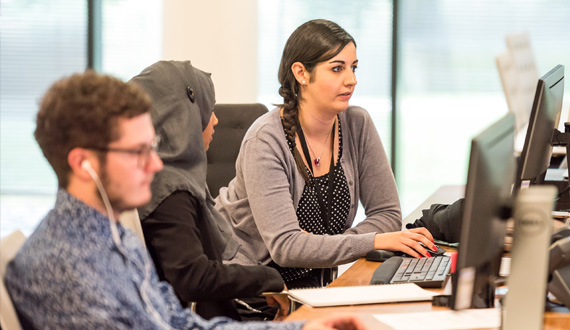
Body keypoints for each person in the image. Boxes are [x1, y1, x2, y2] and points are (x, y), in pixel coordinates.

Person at [4, 70, 366, 330]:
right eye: (137, 151)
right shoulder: (67, 267)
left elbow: (178, 321)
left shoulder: (112, 236)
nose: (156, 163)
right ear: (83, 164)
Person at [215, 18, 436, 291]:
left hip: (315, 286)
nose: (352, 80)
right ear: (301, 73)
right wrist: (373, 240)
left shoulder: (357, 124)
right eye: (337, 68)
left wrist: (322, 244)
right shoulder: (266, 140)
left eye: (353, 68)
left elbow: (387, 214)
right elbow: (286, 247)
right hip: (254, 288)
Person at [130, 60, 288, 321]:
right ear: (183, 116)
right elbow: (193, 278)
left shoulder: (168, 178)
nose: (215, 119)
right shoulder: (170, 189)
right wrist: (267, 278)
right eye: (208, 109)